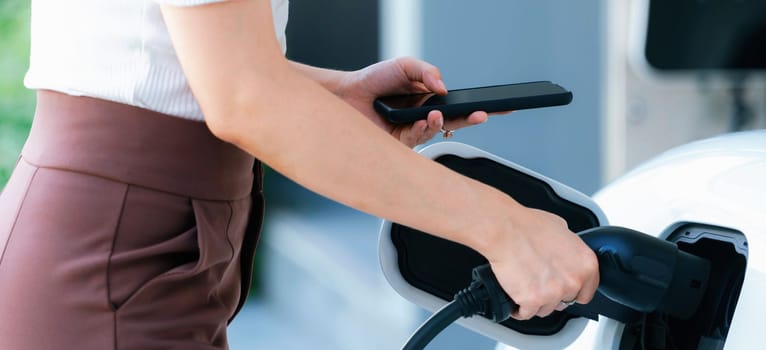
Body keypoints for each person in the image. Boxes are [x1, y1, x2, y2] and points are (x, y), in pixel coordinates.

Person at [0, 0, 599, 348]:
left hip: (135, 247)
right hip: (112, 256)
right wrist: (506, 229)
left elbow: (190, 60)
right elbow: (245, 99)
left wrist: (331, 99)